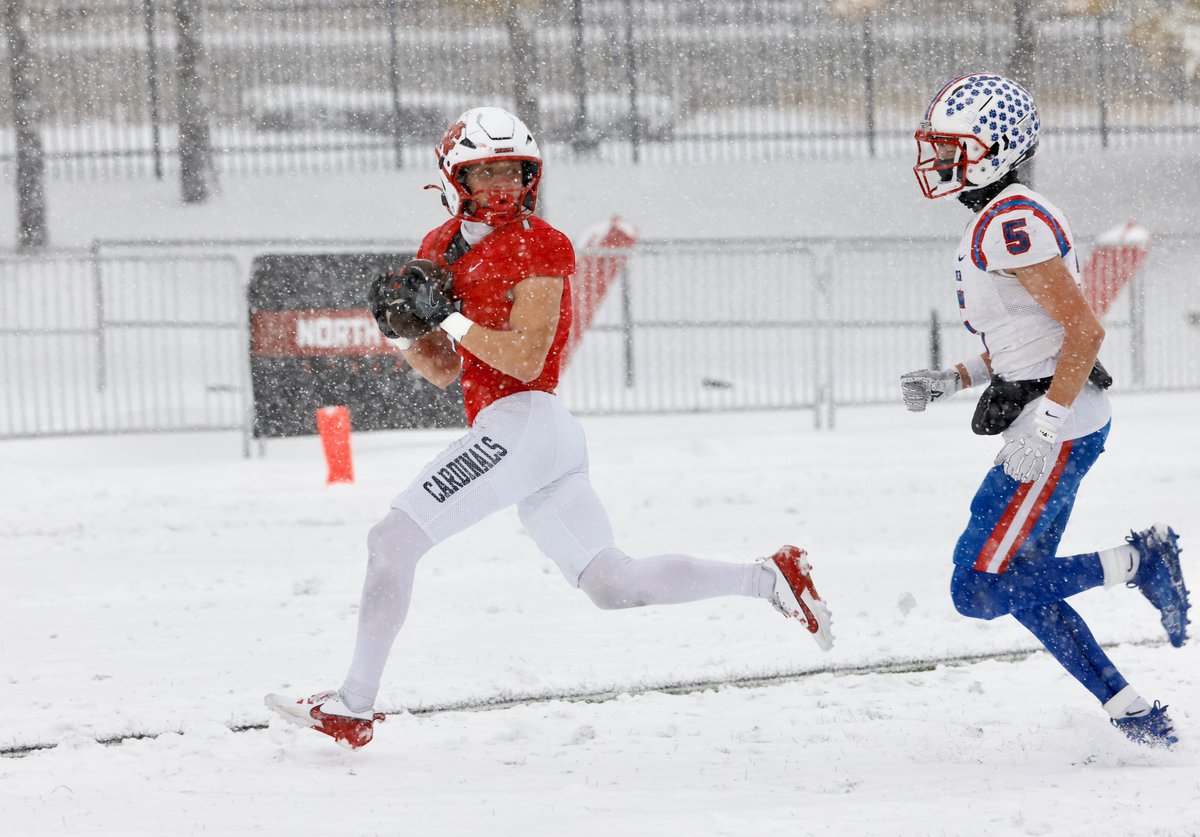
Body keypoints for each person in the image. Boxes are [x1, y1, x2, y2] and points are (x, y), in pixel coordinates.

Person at [266, 106, 833, 748]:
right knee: (611, 584)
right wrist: (401, 333)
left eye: (514, 171)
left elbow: (529, 356)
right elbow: (446, 372)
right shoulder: (437, 247)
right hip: (529, 436)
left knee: (392, 540)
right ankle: (769, 577)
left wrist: (447, 318)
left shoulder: (540, 241)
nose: (501, 186)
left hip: (527, 419)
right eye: (485, 173)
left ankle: (354, 704)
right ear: (455, 178)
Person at [902, 73, 1190, 747]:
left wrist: (1048, 428)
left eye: (953, 147)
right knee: (1020, 578)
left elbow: (1085, 333)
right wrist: (955, 375)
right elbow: (1029, 343)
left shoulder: (1011, 223)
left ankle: (1139, 561)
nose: (939, 160)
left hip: (1059, 423)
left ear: (997, 148)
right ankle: (1129, 706)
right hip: (1055, 415)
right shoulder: (1002, 216)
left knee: (977, 585)